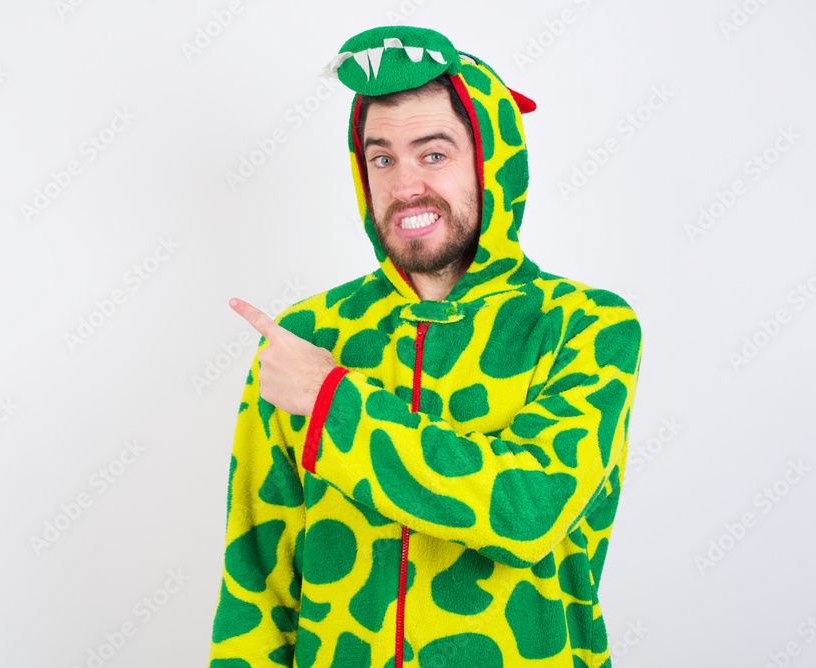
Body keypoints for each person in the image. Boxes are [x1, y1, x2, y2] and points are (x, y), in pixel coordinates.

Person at [208, 24, 643, 668]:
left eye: (433, 153)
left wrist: (333, 406)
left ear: (490, 160)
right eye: (381, 157)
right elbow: (257, 572)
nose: (404, 183)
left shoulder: (585, 324)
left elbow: (528, 511)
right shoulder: (307, 334)